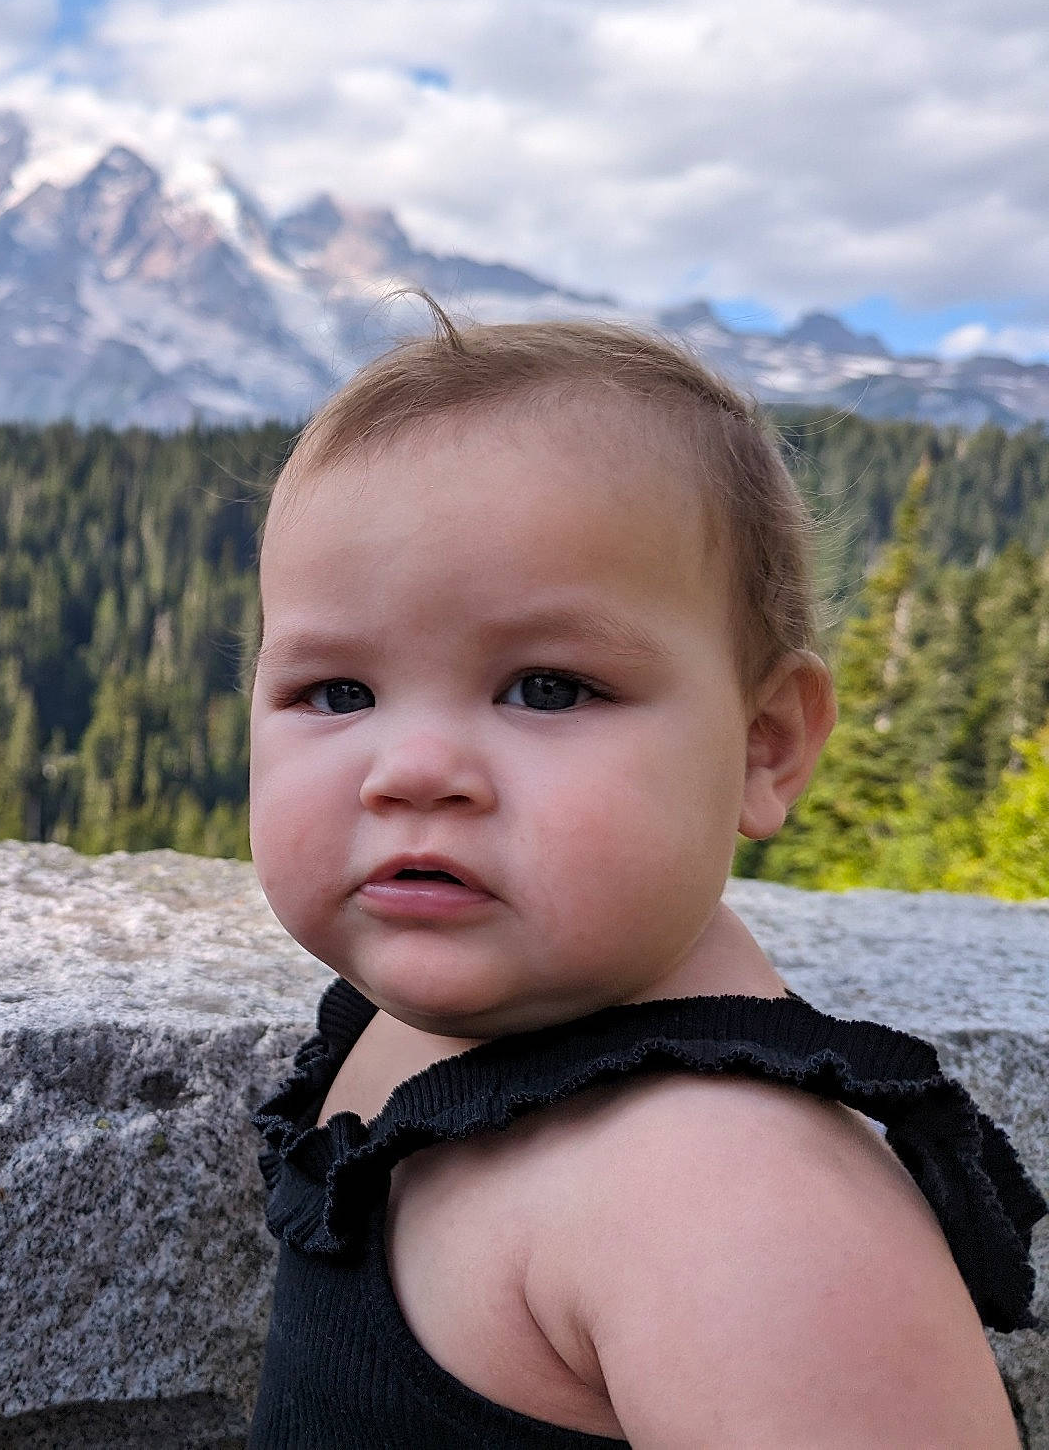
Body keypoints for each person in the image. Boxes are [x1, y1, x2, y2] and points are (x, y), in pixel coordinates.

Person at [245, 311, 1044, 1447]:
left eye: (547, 689)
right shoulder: (407, 1018)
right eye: (334, 693)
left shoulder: (733, 1207)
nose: (410, 770)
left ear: (762, 747)